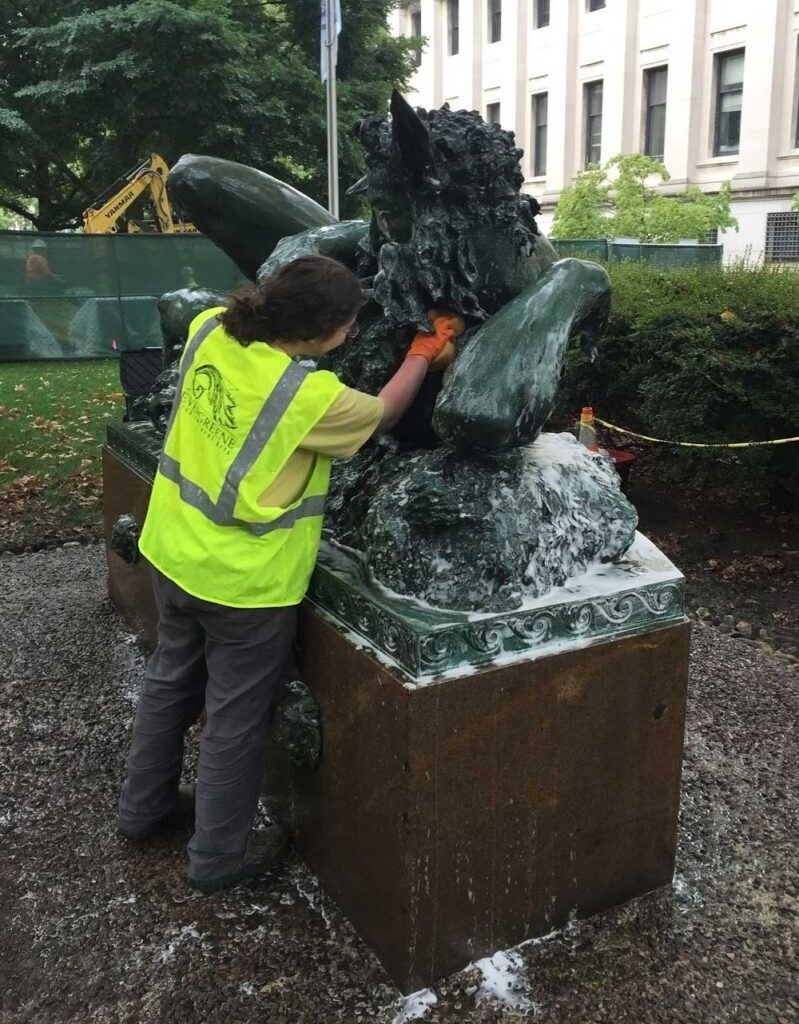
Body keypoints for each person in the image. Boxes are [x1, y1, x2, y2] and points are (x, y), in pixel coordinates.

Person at [117, 254, 463, 892]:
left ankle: (143, 812)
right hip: (244, 586)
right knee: (234, 719)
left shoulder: (211, 329)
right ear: (324, 332)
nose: (351, 337)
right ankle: (218, 860)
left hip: (171, 551)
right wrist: (422, 351)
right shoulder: (305, 397)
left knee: (169, 684)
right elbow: (382, 414)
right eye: (348, 327)